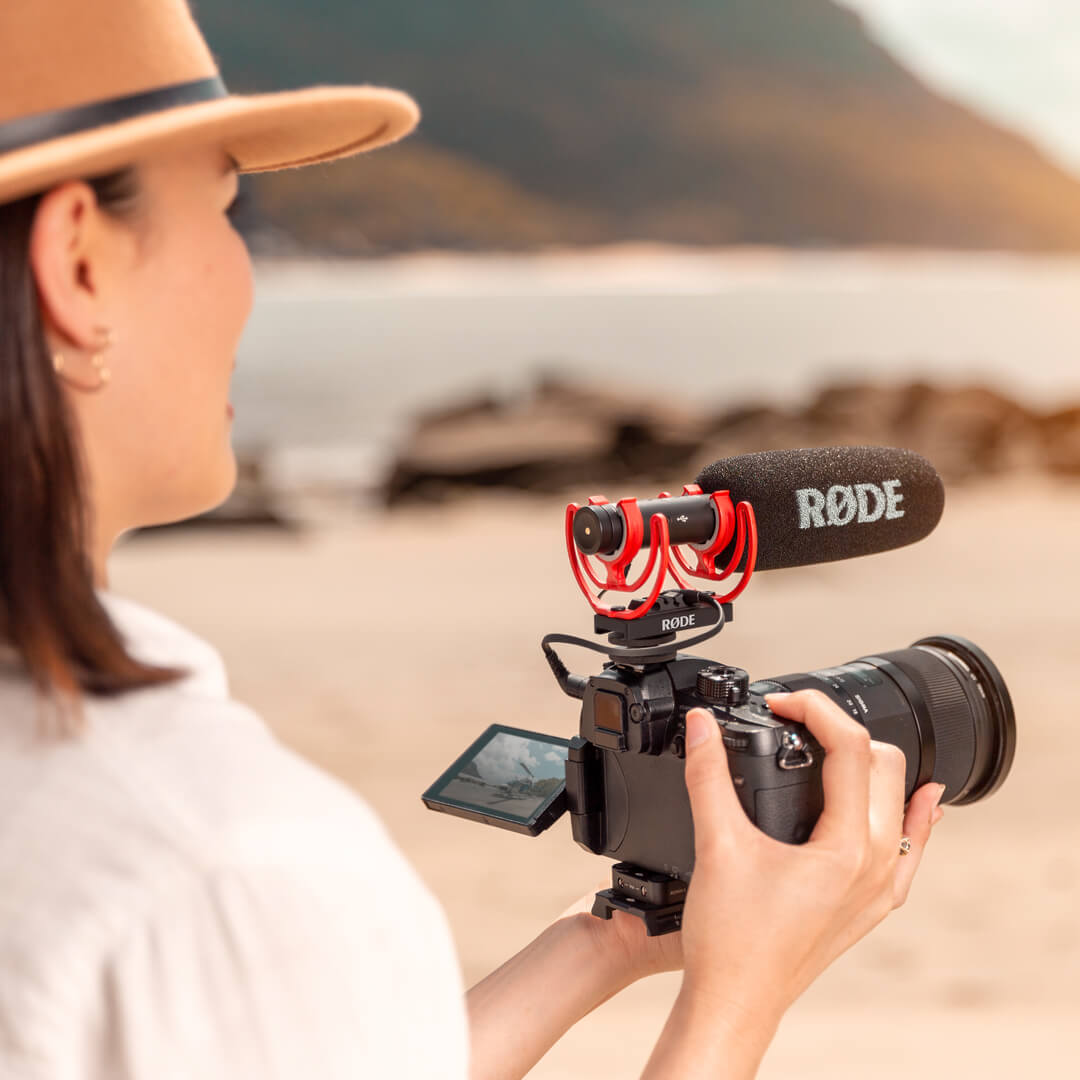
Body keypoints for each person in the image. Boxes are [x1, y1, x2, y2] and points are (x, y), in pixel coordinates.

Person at [0, 3, 947, 1078]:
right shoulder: (211, 865)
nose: (242, 275)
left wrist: (600, 944)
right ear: (77, 264)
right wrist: (744, 993)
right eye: (227, 210)